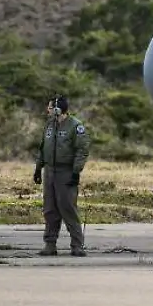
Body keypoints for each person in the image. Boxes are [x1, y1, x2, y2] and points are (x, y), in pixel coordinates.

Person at [33, 95, 90, 256]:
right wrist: (38, 168)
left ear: (58, 109)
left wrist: (76, 172)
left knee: (68, 208)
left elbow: (82, 150)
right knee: (50, 209)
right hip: (50, 172)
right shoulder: (49, 125)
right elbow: (43, 148)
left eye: (50, 108)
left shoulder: (76, 126)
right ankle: (50, 244)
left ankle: (77, 245)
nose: (48, 110)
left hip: (66, 172)